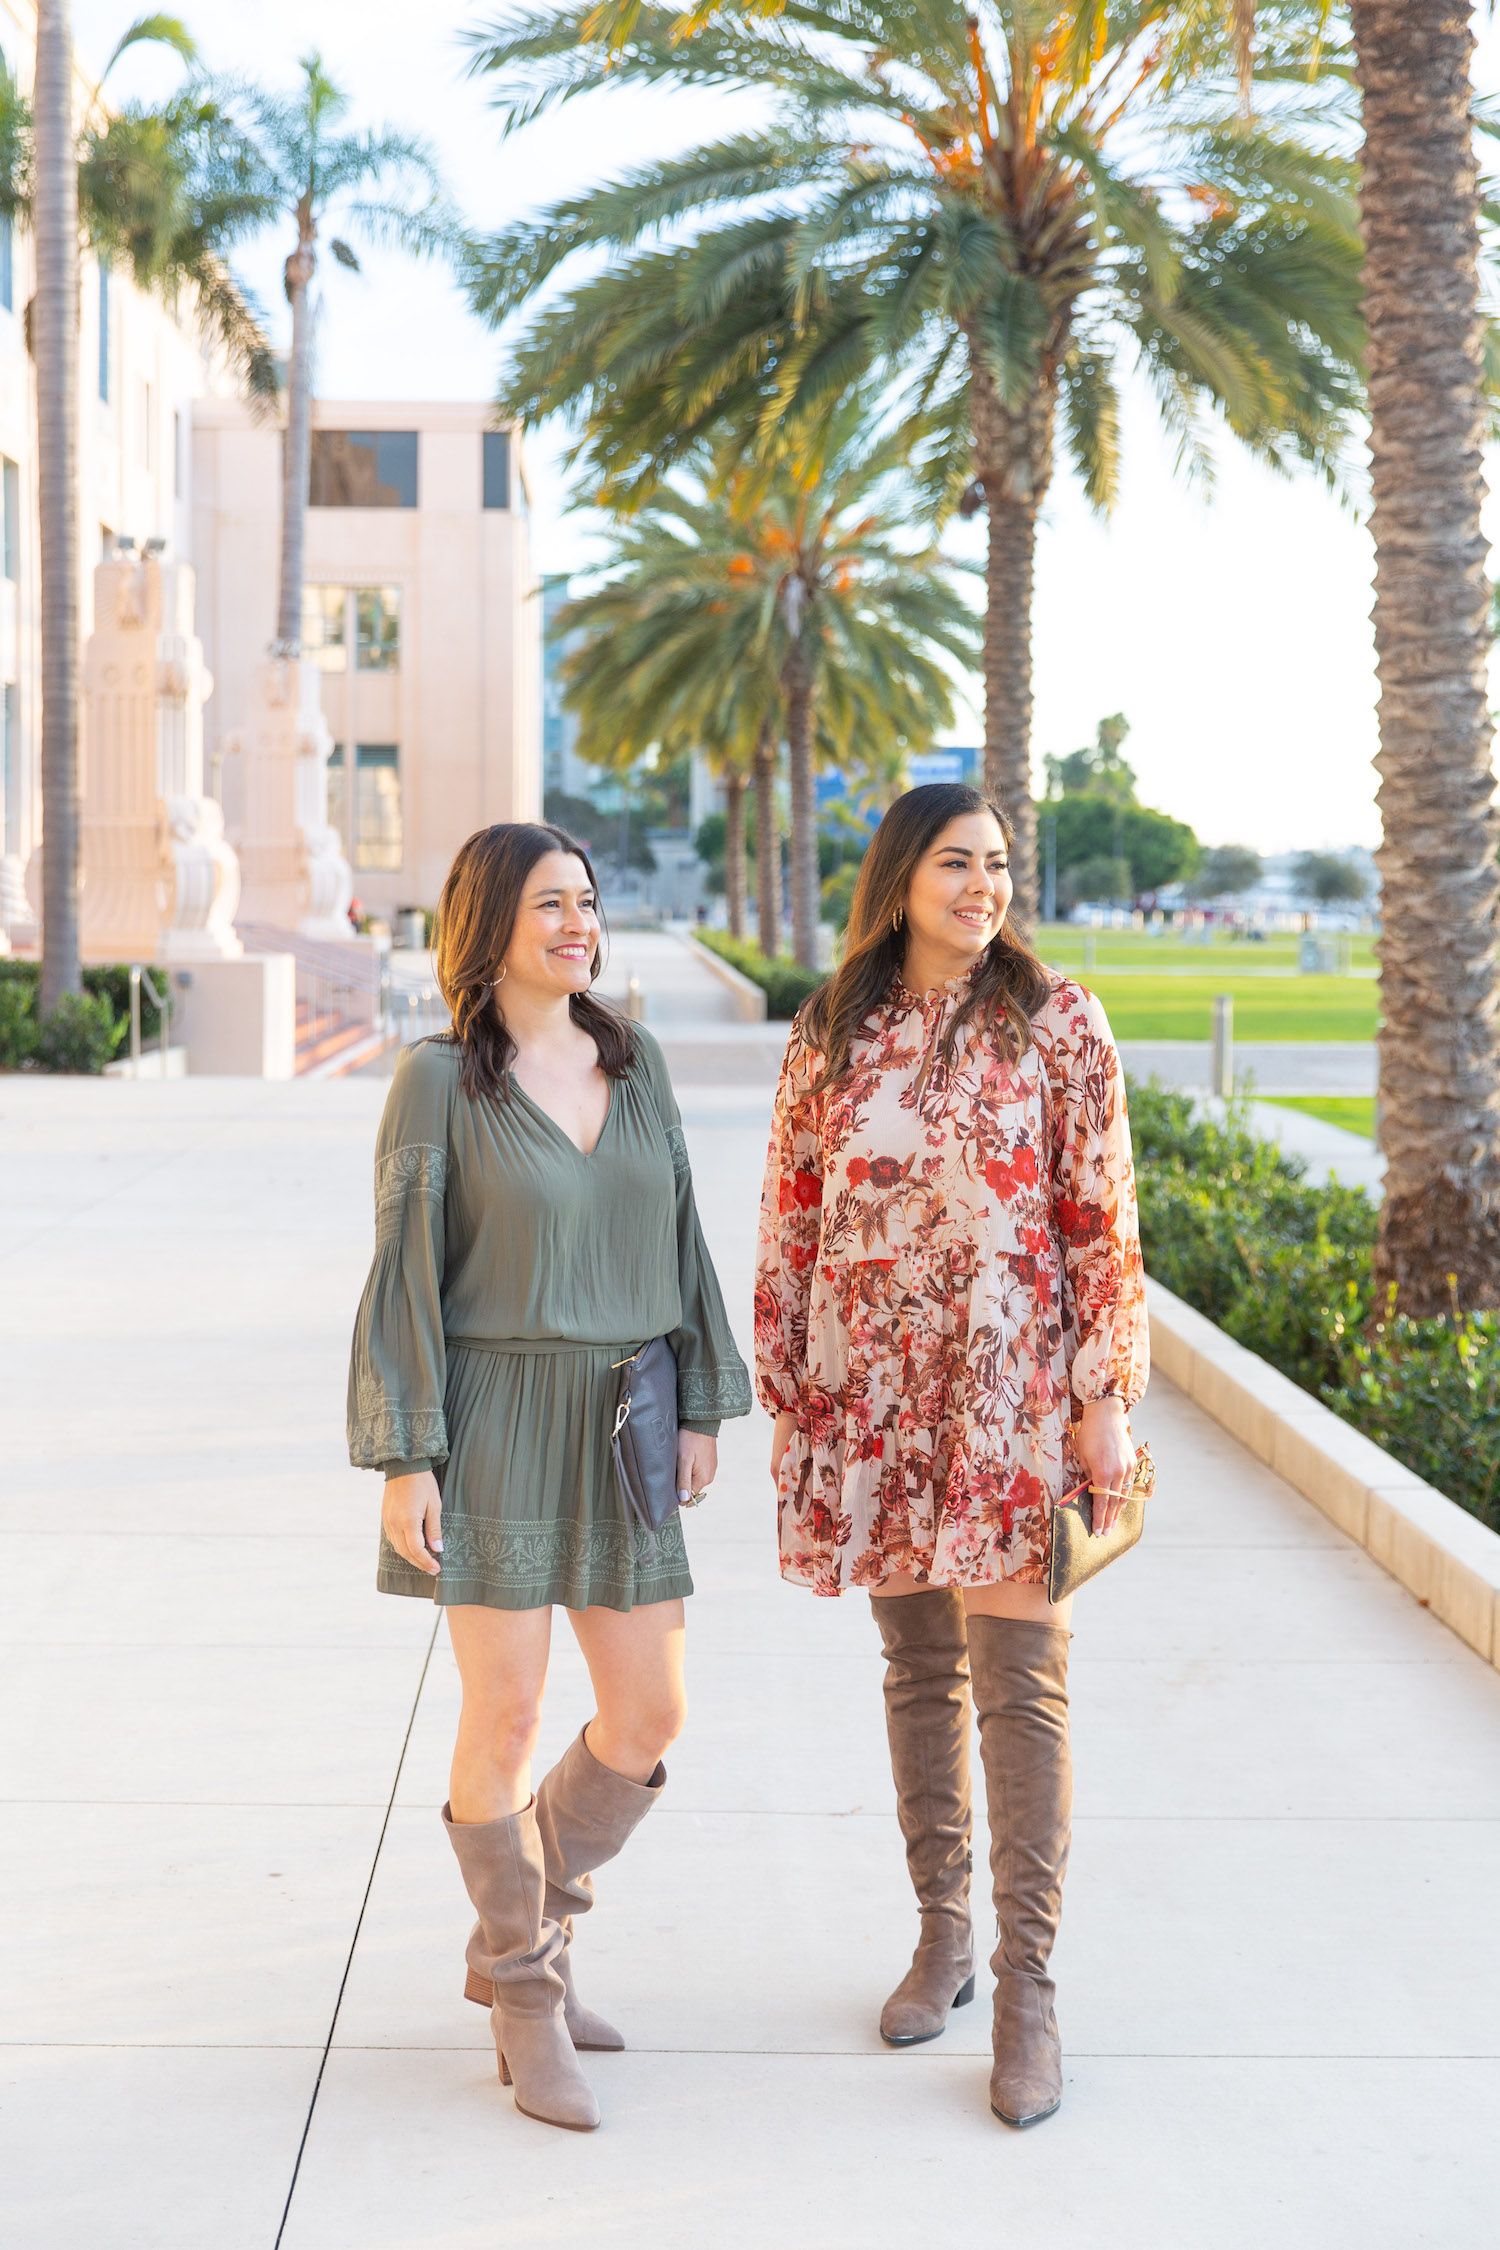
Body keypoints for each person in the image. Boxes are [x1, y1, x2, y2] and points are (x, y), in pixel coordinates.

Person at [754, 783, 1148, 2128]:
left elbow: (1100, 1220)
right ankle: (944, 1940)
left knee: (1021, 1676)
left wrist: (1104, 1396)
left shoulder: (1057, 1020)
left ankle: (1030, 1988)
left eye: (997, 863)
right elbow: (789, 1217)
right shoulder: (832, 1029)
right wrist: (796, 1393)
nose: (984, 883)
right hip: (879, 1396)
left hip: (1011, 1397)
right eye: (956, 861)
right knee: (920, 1661)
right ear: (900, 876)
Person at [349, 822, 750, 2133]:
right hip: (498, 1414)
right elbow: (402, 1269)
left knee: (649, 1714)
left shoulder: (636, 1068)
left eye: (589, 901)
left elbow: (680, 1232)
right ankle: (526, 1990)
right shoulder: (434, 1081)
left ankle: (521, 1930)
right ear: (487, 924)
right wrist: (406, 1448)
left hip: (626, 1409)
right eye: (550, 904)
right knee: (507, 1715)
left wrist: (696, 1393)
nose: (580, 924)